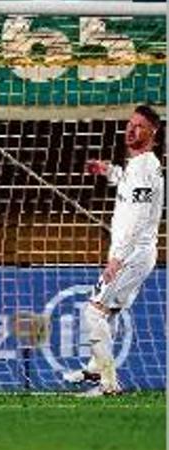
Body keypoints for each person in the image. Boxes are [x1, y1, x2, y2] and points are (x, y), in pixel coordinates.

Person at [64, 105, 164, 395]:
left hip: (132, 254)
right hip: (137, 253)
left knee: (93, 313)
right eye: (129, 124)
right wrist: (108, 170)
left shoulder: (145, 168)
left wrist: (117, 259)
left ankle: (108, 383)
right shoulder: (139, 165)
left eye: (139, 126)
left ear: (152, 132)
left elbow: (137, 218)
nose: (131, 130)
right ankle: (96, 369)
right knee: (109, 312)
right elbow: (126, 184)